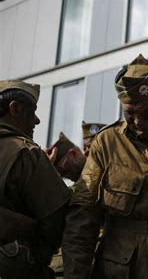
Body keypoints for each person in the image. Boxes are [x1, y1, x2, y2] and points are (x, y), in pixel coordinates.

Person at [62, 54, 148, 278]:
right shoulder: (107, 143)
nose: (138, 123)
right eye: (129, 114)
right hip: (121, 269)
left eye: (147, 113)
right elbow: (83, 218)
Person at [0, 80, 71, 279]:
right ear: (15, 108)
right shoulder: (26, 153)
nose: (37, 121)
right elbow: (58, 221)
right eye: (32, 111)